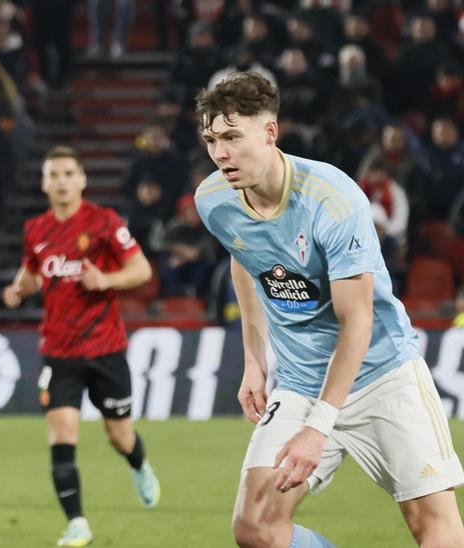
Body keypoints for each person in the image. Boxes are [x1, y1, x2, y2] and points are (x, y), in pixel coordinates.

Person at [193, 72, 464, 548]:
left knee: (436, 528)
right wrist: (254, 361)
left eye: (233, 137)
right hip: (300, 382)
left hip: (382, 374)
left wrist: (319, 427)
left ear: (270, 132)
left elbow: (356, 322)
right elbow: (245, 257)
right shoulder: (214, 199)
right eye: (212, 139)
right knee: (254, 528)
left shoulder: (331, 199)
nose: (220, 153)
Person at [1, 146, 159, 547]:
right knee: (62, 433)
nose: (61, 181)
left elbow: (141, 269)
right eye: (53, 174)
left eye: (69, 173)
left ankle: (139, 464)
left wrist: (105, 281)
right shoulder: (36, 229)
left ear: (82, 179)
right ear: (44, 183)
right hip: (59, 351)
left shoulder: (103, 222)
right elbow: (35, 269)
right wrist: (21, 288)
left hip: (106, 349)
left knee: (120, 436)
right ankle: (77, 523)